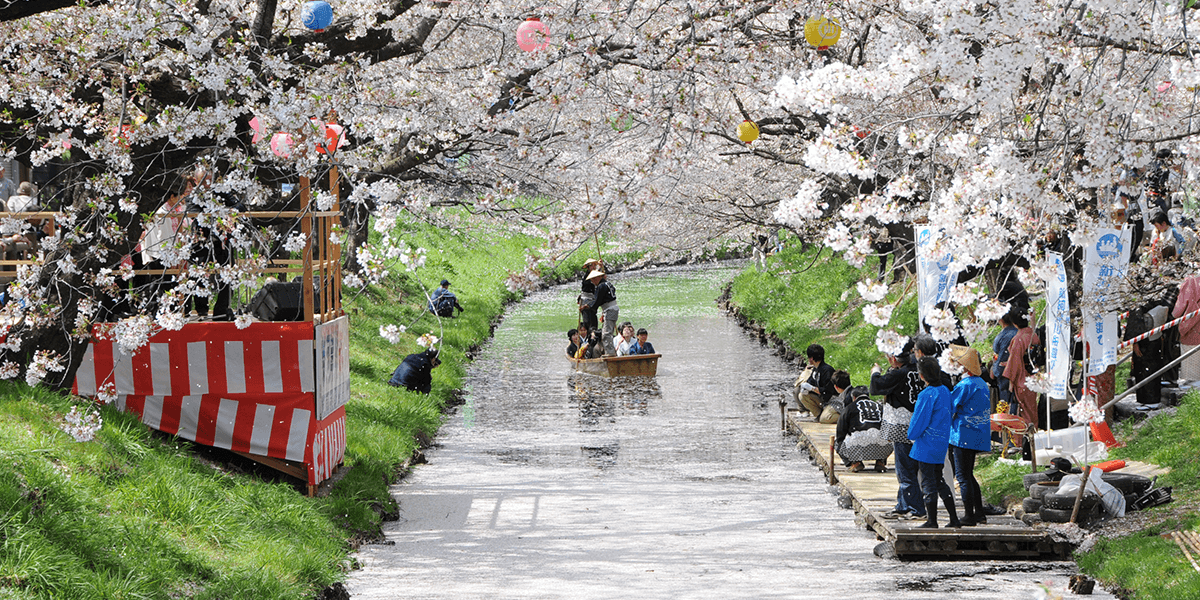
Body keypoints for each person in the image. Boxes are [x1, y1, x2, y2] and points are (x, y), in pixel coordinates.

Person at [871, 340, 925, 520]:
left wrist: (875, 372)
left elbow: (876, 385)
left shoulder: (899, 374)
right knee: (910, 468)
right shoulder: (918, 370)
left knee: (905, 469)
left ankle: (915, 507)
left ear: (894, 358)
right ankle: (903, 504)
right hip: (919, 423)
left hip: (902, 427)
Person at [908, 356, 961, 529]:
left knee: (928, 483)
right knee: (939, 481)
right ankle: (954, 519)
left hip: (926, 445)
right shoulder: (945, 391)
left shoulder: (927, 395)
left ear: (922, 375)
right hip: (941, 443)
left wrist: (911, 434)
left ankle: (932, 521)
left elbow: (919, 422)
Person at [947, 345, 991, 526]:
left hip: (962, 434)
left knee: (963, 476)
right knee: (969, 474)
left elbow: (951, 406)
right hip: (978, 433)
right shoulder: (981, 384)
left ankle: (968, 515)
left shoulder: (964, 385)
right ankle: (979, 512)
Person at [834, 377, 891, 473]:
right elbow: (888, 427)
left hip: (857, 444)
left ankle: (855, 463)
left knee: (837, 442)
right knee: (884, 438)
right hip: (883, 447)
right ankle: (880, 462)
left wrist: (842, 445)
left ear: (854, 397)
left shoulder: (849, 408)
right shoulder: (880, 407)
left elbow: (840, 431)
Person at [796, 343, 836, 421]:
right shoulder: (816, 369)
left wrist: (813, 389)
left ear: (811, 359)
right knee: (802, 395)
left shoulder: (827, 371)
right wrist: (805, 387)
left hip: (830, 401)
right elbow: (810, 382)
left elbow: (828, 390)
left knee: (825, 419)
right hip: (821, 398)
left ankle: (824, 415)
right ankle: (819, 415)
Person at [585, 270, 619, 356]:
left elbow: (597, 301)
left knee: (606, 334)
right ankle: (610, 351)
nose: (592, 282)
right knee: (608, 331)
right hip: (611, 309)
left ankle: (610, 353)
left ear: (597, 278)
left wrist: (588, 306)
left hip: (610, 309)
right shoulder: (608, 284)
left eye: (593, 280)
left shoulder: (601, 286)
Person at [577, 259, 603, 331]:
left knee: (593, 319)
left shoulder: (594, 274)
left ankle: (594, 333)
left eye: (595, 265)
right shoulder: (587, 276)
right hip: (586, 299)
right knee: (587, 321)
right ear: (588, 267)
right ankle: (589, 334)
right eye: (592, 265)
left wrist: (600, 267)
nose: (594, 267)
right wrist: (599, 268)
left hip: (593, 299)